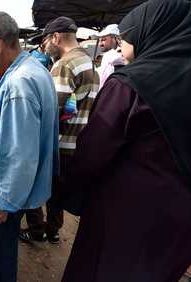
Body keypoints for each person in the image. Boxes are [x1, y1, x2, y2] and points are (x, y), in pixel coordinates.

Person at [61, 0, 191, 280]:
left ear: (150, 31)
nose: (120, 46)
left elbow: (93, 152)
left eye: (125, 38)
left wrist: (69, 188)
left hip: (125, 215)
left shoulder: (130, 83)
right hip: (179, 221)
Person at [0, 11, 59, 282]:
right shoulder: (35, 69)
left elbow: (21, 155)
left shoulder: (18, 85)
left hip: (10, 194)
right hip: (26, 188)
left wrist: (5, 201)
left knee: (0, 255)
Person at [20, 16, 99, 244]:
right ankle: (53, 230)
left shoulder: (64, 64)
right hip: (76, 142)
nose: (44, 47)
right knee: (57, 191)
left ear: (55, 37)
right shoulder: (88, 61)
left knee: (34, 184)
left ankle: (37, 231)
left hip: (59, 142)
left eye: (45, 41)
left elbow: (51, 110)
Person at [91, 24, 124, 88]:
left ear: (115, 38)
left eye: (103, 40)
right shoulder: (108, 55)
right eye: (99, 40)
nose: (100, 44)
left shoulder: (119, 57)